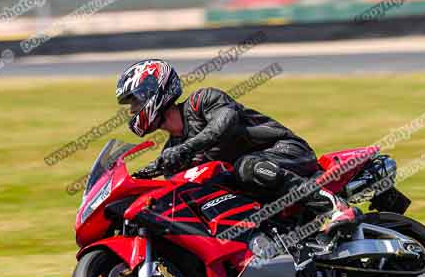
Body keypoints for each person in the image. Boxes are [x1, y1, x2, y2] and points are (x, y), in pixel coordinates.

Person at [116, 59, 359, 235]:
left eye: (134, 101)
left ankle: (333, 207)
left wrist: (184, 149)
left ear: (153, 91)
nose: (132, 111)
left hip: (286, 151)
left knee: (247, 167)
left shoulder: (202, 101)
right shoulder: (172, 151)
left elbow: (222, 126)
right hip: (257, 190)